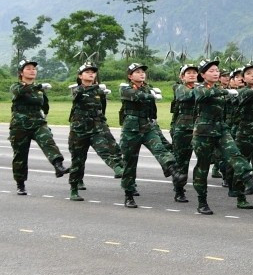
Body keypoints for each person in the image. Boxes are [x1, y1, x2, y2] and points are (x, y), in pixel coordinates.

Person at [190, 58, 253, 215]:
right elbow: (203, 95)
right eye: (211, 71)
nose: (215, 73)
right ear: (202, 75)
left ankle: (248, 180)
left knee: (234, 154)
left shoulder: (220, 90)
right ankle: (202, 201)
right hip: (203, 132)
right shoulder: (199, 88)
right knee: (203, 166)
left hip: (221, 129)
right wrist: (226, 91)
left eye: (217, 70)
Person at [119, 63, 185, 208]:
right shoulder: (125, 88)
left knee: (160, 149)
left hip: (148, 127)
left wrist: (151, 95)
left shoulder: (148, 88)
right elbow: (136, 96)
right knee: (130, 163)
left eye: (143, 72)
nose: (141, 74)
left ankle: (173, 170)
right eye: (137, 72)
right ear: (130, 76)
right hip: (131, 130)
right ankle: (129, 195)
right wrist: (151, 95)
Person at [9, 58, 73, 195]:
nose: (32, 71)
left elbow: (45, 104)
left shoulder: (39, 90)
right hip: (20, 125)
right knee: (20, 155)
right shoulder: (16, 86)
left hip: (38, 123)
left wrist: (45, 114)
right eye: (28, 69)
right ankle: (20, 183)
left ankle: (58, 165)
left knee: (48, 140)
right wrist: (38, 87)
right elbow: (20, 92)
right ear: (21, 73)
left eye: (34, 69)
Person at [66, 61, 124, 200]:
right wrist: (94, 88)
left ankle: (117, 169)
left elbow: (102, 108)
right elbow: (77, 96)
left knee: (105, 148)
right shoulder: (77, 90)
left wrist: (100, 121)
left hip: (96, 127)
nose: (91, 74)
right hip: (79, 129)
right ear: (80, 76)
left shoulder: (99, 91)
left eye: (93, 72)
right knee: (78, 159)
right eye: (87, 72)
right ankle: (74, 188)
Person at [170, 63, 200, 202]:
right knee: (182, 161)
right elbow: (185, 96)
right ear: (182, 77)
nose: (192, 75)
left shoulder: (202, 88)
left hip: (199, 127)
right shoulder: (179, 88)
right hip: (183, 129)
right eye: (188, 73)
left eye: (194, 72)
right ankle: (179, 190)